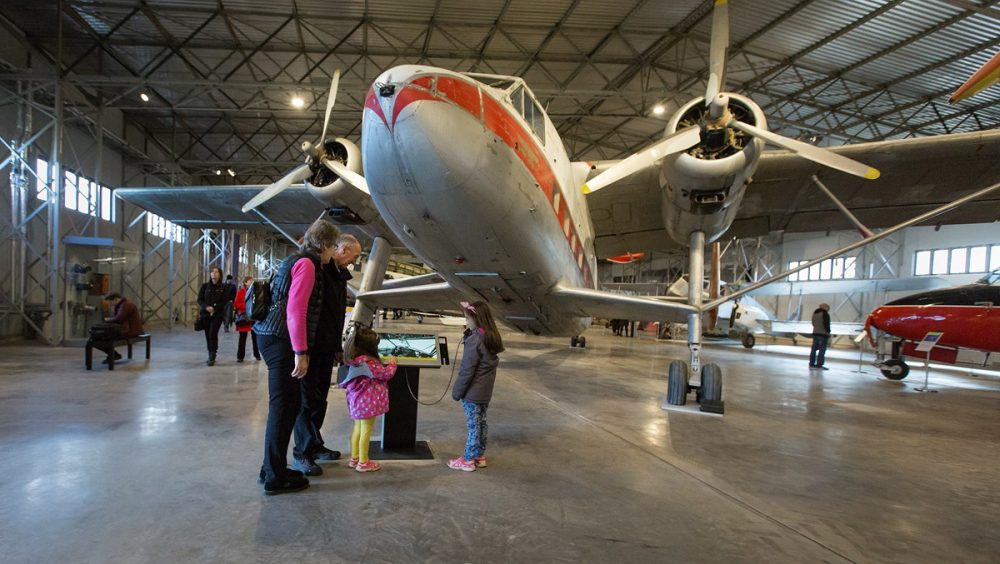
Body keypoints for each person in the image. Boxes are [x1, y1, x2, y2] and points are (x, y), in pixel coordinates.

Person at [253, 218, 341, 495]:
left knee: (287, 408)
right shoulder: (308, 263)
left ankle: (271, 468)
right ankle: (275, 478)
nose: (333, 252)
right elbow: (296, 310)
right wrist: (300, 352)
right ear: (326, 244)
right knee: (283, 409)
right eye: (334, 246)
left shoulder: (296, 258)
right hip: (281, 340)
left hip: (272, 336)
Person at [292, 233, 362, 476]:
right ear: (341, 249)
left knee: (320, 399)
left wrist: (337, 347)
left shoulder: (337, 275)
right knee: (305, 401)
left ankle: (314, 443)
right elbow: (304, 312)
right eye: (355, 255)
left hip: (326, 347)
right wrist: (302, 350)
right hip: (311, 348)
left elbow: (333, 315)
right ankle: (302, 453)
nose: (355, 261)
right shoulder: (316, 269)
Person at [448, 300, 504, 472]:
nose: (466, 322)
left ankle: (468, 460)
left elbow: (467, 370)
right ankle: (479, 455)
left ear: (476, 319)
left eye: (467, 319)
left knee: (473, 426)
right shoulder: (490, 337)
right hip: (485, 392)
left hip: (472, 393)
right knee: (481, 423)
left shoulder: (475, 340)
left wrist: (457, 392)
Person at [339, 328, 397, 473]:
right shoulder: (371, 363)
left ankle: (355, 458)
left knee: (357, 429)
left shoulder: (356, 361)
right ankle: (364, 462)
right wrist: (393, 363)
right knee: (366, 431)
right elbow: (386, 374)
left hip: (356, 403)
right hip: (367, 404)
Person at [95, 292, 145, 364]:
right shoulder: (124, 304)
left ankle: (114, 355)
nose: (111, 304)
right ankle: (113, 354)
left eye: (111, 302)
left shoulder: (126, 305)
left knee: (99, 338)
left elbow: (119, 318)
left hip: (130, 331)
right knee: (98, 338)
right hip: (129, 329)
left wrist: (108, 320)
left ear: (115, 299)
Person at [197, 266, 228, 366]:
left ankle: (212, 354)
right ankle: (209, 352)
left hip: (217, 314)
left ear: (220, 274)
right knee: (207, 334)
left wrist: (215, 308)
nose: (213, 274)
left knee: (212, 333)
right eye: (212, 272)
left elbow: (225, 300)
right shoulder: (205, 286)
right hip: (205, 314)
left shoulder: (223, 287)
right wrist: (206, 307)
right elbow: (200, 299)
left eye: (216, 272)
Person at [233, 276, 260, 362]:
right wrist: (248, 306)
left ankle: (257, 354)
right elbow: (236, 304)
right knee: (242, 338)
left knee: (255, 337)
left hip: (253, 317)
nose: (251, 282)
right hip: (244, 317)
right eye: (249, 281)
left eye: (252, 280)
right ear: (245, 282)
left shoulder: (255, 292)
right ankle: (240, 356)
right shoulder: (241, 292)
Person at [809, 303, 832, 370]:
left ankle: (811, 363)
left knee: (813, 349)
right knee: (822, 350)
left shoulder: (815, 313)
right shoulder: (825, 314)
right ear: (825, 307)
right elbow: (826, 325)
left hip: (815, 332)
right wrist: (828, 332)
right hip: (823, 334)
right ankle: (819, 364)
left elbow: (813, 323)